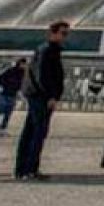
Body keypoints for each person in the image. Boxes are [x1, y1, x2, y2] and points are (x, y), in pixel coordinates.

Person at [14, 22, 68, 181]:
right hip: (40, 96)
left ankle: (24, 168)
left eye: (66, 34)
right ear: (53, 33)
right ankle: (29, 169)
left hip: (37, 94)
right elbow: (42, 76)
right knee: (37, 132)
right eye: (63, 33)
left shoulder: (49, 50)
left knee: (32, 131)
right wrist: (51, 95)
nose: (65, 37)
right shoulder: (47, 51)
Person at [0, 58, 28, 137]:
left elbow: (21, 84)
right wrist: (6, 85)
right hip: (4, 94)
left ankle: (3, 129)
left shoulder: (22, 73)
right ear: (20, 63)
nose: (25, 66)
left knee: (8, 113)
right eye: (24, 64)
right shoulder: (10, 70)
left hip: (13, 95)